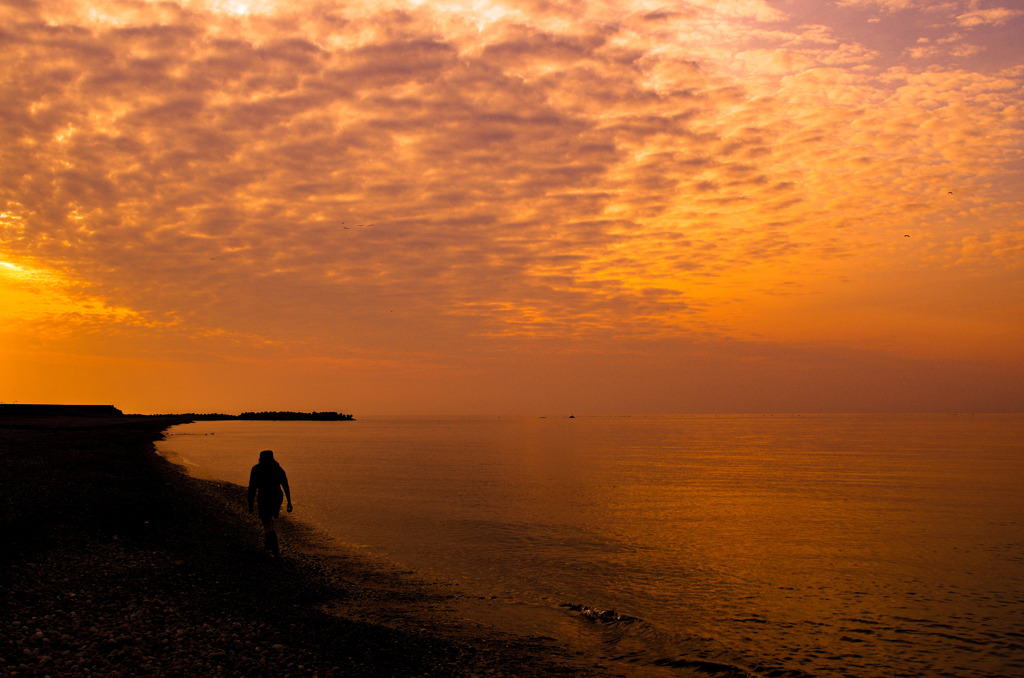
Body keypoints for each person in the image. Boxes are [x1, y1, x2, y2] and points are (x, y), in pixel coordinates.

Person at [247, 450, 292, 557]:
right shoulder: (278, 469)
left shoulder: (256, 469)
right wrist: (289, 502)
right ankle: (269, 543)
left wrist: (250, 505)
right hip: (277, 497)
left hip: (264, 497)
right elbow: (285, 486)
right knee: (269, 518)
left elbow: (252, 489)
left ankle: (274, 548)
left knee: (266, 522)